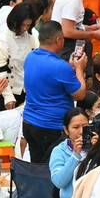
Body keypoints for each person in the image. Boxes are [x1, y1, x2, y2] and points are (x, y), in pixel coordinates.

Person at [22, 21, 89, 163]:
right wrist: (79, 69)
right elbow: (80, 94)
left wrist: (70, 68)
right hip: (51, 127)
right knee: (53, 168)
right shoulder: (60, 67)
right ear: (59, 40)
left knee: (36, 167)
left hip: (29, 122)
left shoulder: (30, 57)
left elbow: (50, 80)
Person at [50, 107, 90, 198]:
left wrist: (97, 149)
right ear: (66, 130)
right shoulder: (59, 151)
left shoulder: (95, 148)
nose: (81, 131)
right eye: (76, 127)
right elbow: (59, 181)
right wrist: (75, 156)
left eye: (85, 126)